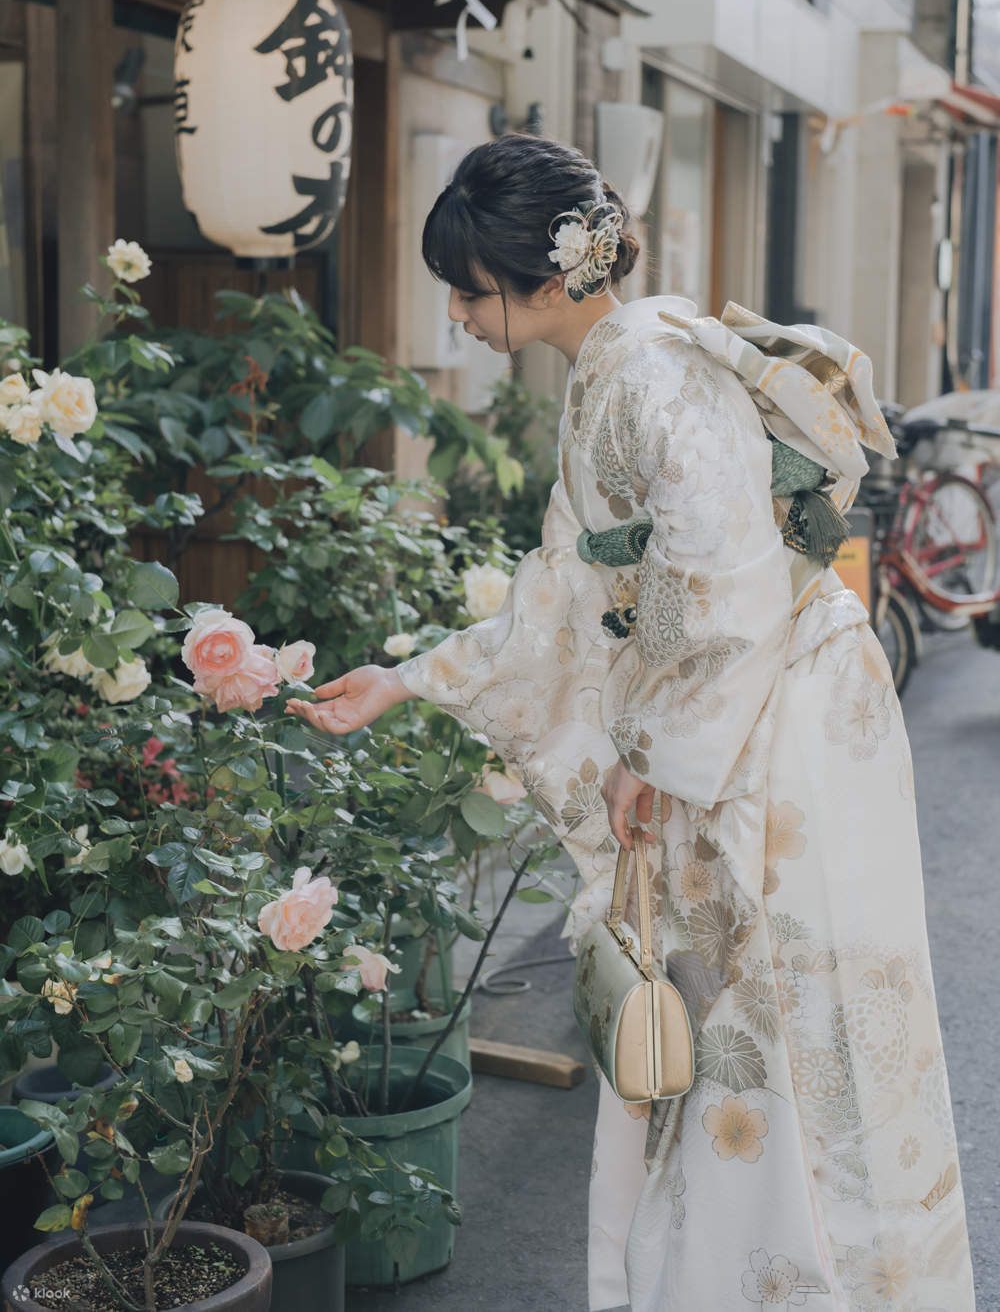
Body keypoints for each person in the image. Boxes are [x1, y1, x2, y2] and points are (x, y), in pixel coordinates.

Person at [286, 135, 977, 1312]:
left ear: (548, 283)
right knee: (735, 1023)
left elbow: (726, 585)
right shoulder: (616, 370)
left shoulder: (648, 371)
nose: (456, 313)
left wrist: (644, 759)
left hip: (777, 726)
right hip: (740, 722)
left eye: (471, 290)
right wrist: (405, 678)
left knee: (789, 1009)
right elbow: (564, 587)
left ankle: (814, 1281)